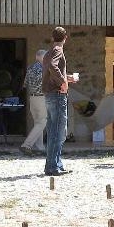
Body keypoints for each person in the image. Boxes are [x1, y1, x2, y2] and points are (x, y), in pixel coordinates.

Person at [42, 27, 78, 176]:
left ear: (52, 37)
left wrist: (68, 78)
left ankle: (56, 164)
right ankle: (52, 167)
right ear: (65, 38)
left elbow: (51, 70)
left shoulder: (48, 52)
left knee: (53, 131)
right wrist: (63, 82)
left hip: (50, 95)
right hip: (57, 95)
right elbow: (53, 66)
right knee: (59, 132)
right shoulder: (58, 50)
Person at [21, 49, 48, 155]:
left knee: (37, 122)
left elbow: (25, 84)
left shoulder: (30, 68)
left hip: (32, 98)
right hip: (41, 97)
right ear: (42, 57)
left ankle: (40, 147)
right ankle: (27, 145)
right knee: (42, 122)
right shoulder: (44, 69)